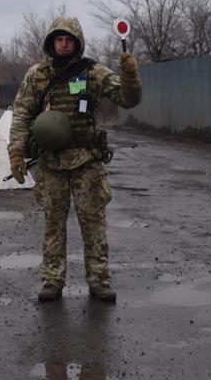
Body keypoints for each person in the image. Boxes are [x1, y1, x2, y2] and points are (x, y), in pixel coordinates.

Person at [8, 16, 141, 303]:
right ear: (51, 42)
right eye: (59, 39)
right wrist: (16, 152)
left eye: (69, 39)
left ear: (77, 42)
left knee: (93, 222)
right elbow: (21, 114)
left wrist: (130, 76)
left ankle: (99, 280)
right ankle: (52, 280)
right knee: (53, 223)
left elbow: (128, 100)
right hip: (51, 162)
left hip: (86, 161)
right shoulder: (38, 75)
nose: (64, 43)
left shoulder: (93, 72)